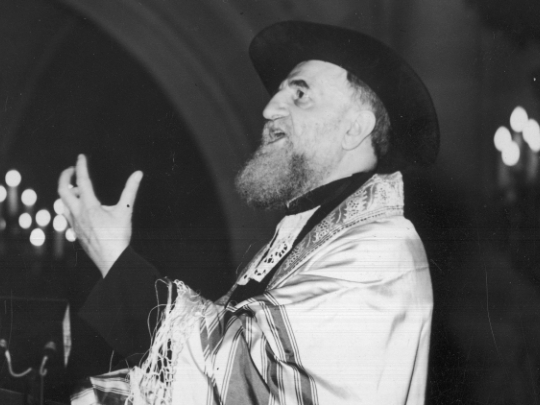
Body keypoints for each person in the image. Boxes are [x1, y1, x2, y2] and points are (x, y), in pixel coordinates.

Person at [61, 21, 439, 405]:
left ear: (354, 128)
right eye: (278, 93)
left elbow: (245, 376)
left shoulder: (381, 249)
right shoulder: (304, 236)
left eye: (300, 94)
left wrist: (116, 260)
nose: (269, 108)